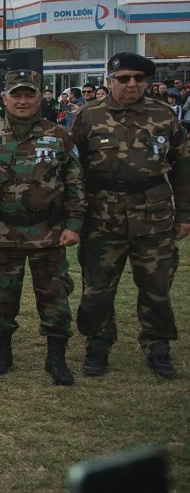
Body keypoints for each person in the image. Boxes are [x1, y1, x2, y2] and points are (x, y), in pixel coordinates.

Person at [70, 52, 189, 379]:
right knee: (97, 288)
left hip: (153, 215)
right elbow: (71, 171)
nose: (132, 84)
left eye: (139, 78)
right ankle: (97, 345)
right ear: (110, 81)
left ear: (148, 81)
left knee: (156, 287)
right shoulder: (87, 117)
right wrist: (75, 219)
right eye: (124, 78)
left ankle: (158, 346)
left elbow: (183, 168)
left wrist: (185, 215)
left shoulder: (164, 116)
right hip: (101, 216)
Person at [0, 70, 86, 386]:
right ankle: (2, 354)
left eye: (29, 94)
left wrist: (74, 224)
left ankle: (56, 358)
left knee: (55, 296)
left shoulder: (58, 135)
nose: (23, 101)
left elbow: (75, 183)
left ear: (40, 97)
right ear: (4, 99)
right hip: (3, 233)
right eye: (16, 95)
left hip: (48, 231)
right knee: (1, 296)